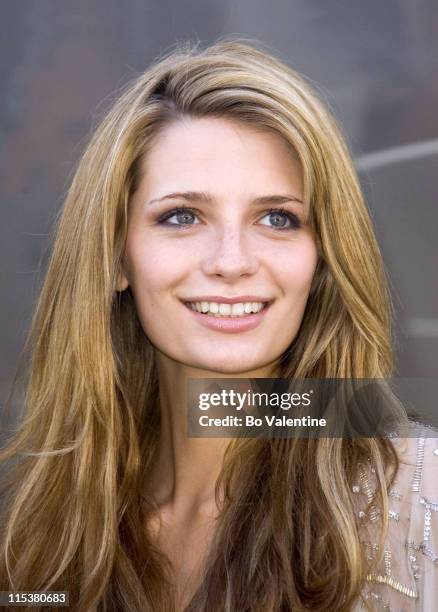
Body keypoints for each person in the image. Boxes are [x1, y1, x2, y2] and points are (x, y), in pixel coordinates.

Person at [0, 37, 437, 612]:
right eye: (182, 216)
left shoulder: (418, 499)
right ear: (114, 255)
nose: (232, 261)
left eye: (278, 218)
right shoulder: (43, 526)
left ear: (323, 256)